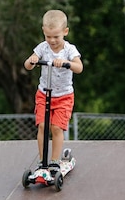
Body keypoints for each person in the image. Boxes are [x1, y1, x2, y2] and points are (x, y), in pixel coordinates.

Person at [23, 9, 83, 173]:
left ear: (65, 32)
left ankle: (55, 161)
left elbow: (79, 68)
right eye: (48, 36)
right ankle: (42, 162)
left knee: (56, 128)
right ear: (44, 31)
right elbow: (27, 65)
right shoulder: (42, 47)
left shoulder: (69, 50)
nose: (52, 40)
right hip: (44, 94)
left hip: (63, 97)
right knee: (42, 126)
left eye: (56, 37)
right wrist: (32, 60)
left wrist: (66, 63)